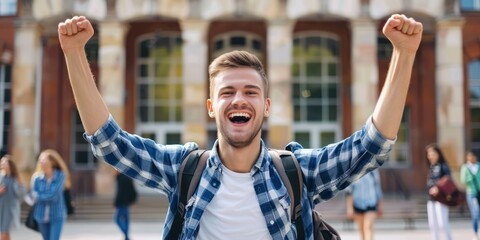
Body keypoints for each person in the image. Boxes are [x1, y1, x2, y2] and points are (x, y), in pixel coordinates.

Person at [57, 14, 422, 239]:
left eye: (250, 91)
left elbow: (370, 147)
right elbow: (110, 143)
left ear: (265, 107)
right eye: (227, 92)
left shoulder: (296, 172)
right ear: (212, 107)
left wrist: (404, 55)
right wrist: (74, 54)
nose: (239, 100)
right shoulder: (183, 170)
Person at [31, 149, 68, 240]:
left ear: (52, 162)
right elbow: (33, 194)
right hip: (40, 215)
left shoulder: (60, 175)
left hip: (57, 215)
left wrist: (40, 196)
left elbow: (54, 196)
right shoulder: (36, 178)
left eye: (44, 160)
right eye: (40, 160)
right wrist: (43, 195)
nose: (41, 162)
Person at [425, 143, 453, 240]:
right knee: (432, 224)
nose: (430, 156)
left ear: (438, 154)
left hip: (441, 198)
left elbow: (449, 181)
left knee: (442, 223)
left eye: (432, 153)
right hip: (431, 199)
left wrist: (438, 188)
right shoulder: (431, 167)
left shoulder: (443, 166)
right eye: (429, 154)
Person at [346, 169, 383, 240]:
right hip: (357, 204)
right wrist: (350, 208)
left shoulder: (373, 171)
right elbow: (349, 192)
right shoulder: (353, 171)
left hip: (371, 204)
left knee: (368, 227)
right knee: (362, 229)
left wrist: (380, 205)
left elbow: (378, 189)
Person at [0, 154, 27, 240]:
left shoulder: (17, 178)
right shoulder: (1, 177)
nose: (3, 164)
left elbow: (22, 194)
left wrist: (18, 186)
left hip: (11, 209)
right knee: (5, 232)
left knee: (4, 232)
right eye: (2, 162)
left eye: (5, 163)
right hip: (1, 208)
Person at [461, 150, 480, 240]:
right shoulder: (465, 167)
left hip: (479, 192)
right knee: (475, 212)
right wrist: (470, 177)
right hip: (471, 193)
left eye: (472, 156)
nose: (471, 158)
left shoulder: (479, 166)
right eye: (469, 156)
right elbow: (463, 180)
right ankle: (475, 232)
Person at [113, 170, 138, 240]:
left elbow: (120, 192)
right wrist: (133, 200)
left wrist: (116, 203)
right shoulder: (127, 177)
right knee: (126, 220)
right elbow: (133, 190)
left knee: (117, 219)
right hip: (126, 203)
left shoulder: (121, 178)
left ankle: (126, 235)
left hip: (121, 203)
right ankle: (126, 236)